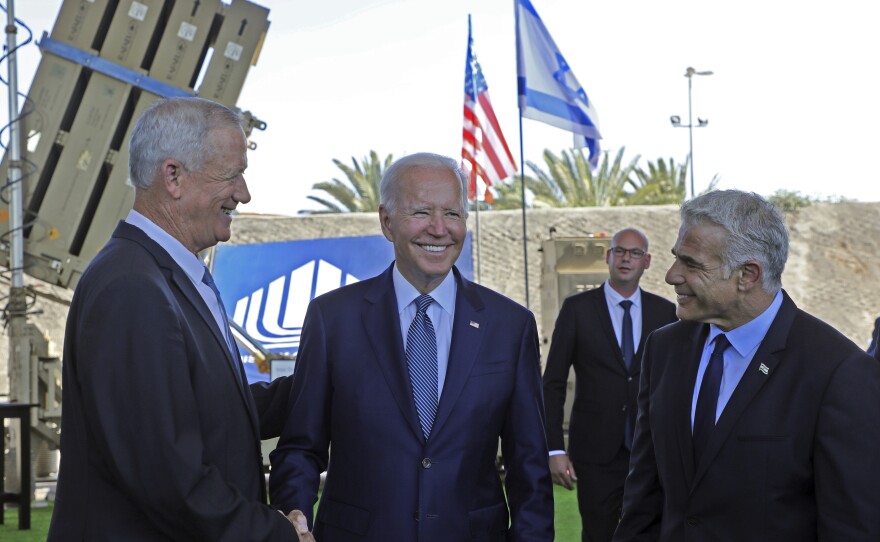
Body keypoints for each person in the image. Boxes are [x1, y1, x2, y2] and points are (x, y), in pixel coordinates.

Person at [47, 97, 305, 540]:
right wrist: (276, 534)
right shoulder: (132, 288)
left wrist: (323, 387)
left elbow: (211, 413)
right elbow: (164, 474)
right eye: (232, 175)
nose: (244, 194)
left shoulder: (165, 274)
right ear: (173, 177)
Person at [268, 152, 554, 541]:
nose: (439, 229)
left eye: (452, 214)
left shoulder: (510, 326)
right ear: (386, 221)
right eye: (421, 212)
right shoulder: (333, 319)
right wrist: (295, 512)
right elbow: (301, 446)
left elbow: (529, 465)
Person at [613, 190, 880, 541]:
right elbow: (644, 499)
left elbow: (851, 527)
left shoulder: (838, 372)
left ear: (748, 275)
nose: (671, 275)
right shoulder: (664, 348)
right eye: (676, 258)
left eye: (691, 264)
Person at [542, 228, 676, 542]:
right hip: (595, 453)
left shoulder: (665, 313)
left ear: (647, 261)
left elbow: (675, 385)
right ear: (608, 256)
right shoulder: (577, 309)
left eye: (635, 253)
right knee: (599, 534)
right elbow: (553, 383)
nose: (626, 258)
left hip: (651, 450)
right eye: (620, 251)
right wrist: (554, 448)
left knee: (650, 533)